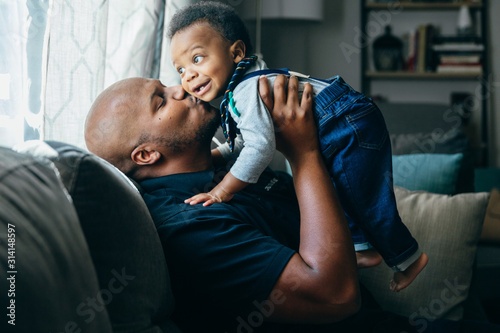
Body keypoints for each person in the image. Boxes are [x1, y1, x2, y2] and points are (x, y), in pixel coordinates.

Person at [84, 76, 500, 333]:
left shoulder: (222, 173)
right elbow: (336, 296)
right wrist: (303, 153)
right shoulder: (188, 225)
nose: (179, 86)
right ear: (146, 156)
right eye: (161, 100)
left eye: (163, 83)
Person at [167, 1, 427, 292]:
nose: (187, 75)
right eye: (180, 68)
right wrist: (217, 156)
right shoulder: (241, 87)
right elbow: (245, 142)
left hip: (346, 122)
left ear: (237, 52)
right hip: (339, 122)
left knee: (363, 197)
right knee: (339, 190)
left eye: (197, 59)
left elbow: (259, 148)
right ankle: (364, 248)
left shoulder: (245, 92)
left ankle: (408, 258)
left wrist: (222, 190)